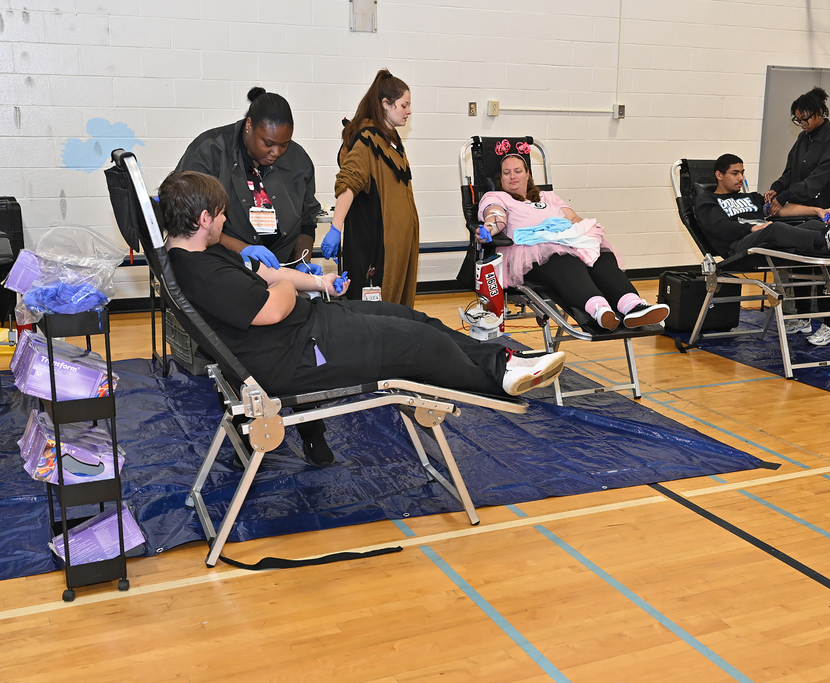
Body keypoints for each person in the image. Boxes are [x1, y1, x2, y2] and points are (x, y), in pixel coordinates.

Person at [158, 171, 565, 466]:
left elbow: (268, 275)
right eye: (222, 214)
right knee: (415, 344)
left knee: (409, 317)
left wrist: (317, 284)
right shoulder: (201, 273)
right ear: (203, 219)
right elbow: (274, 303)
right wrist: (287, 286)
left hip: (307, 328)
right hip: (297, 356)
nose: (227, 221)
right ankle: (499, 380)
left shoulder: (198, 255)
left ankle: (504, 360)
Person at [695, 154, 830, 344]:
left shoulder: (751, 198)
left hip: (766, 241)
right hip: (740, 249)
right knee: (774, 228)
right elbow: (718, 227)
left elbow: (780, 209)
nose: (740, 178)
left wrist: (817, 211)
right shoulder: (707, 201)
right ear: (719, 175)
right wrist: (754, 228)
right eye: (734, 173)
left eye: (742, 173)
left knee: (812, 225)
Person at [475, 147, 669, 331]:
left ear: (528, 174)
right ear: (501, 178)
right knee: (565, 261)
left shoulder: (548, 196)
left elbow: (573, 218)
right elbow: (496, 216)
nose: (513, 176)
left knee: (601, 257)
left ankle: (633, 306)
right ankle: (599, 310)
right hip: (532, 251)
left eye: (517, 171)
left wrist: (585, 233)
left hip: (566, 241)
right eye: (506, 173)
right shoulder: (498, 196)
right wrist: (489, 228)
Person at [175, 87, 322, 276]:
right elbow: (189, 220)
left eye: (284, 145)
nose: (276, 152)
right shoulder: (209, 151)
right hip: (223, 267)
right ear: (249, 125)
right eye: (268, 144)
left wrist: (304, 261)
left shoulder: (299, 161)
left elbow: (307, 221)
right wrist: (244, 249)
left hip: (281, 270)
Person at [325, 69, 419, 307]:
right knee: (376, 312)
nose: (408, 111)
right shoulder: (367, 139)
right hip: (377, 244)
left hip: (399, 246)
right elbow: (348, 183)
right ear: (385, 104)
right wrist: (335, 228)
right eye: (403, 105)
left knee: (398, 309)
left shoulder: (392, 141)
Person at [763, 87, 830, 345]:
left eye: (806, 118)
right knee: (799, 264)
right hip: (800, 210)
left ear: (820, 113)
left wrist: (785, 196)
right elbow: (790, 171)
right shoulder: (803, 138)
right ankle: (802, 317)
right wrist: (777, 187)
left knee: (822, 270)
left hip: (825, 210)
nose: (802, 123)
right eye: (798, 119)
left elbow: (818, 179)